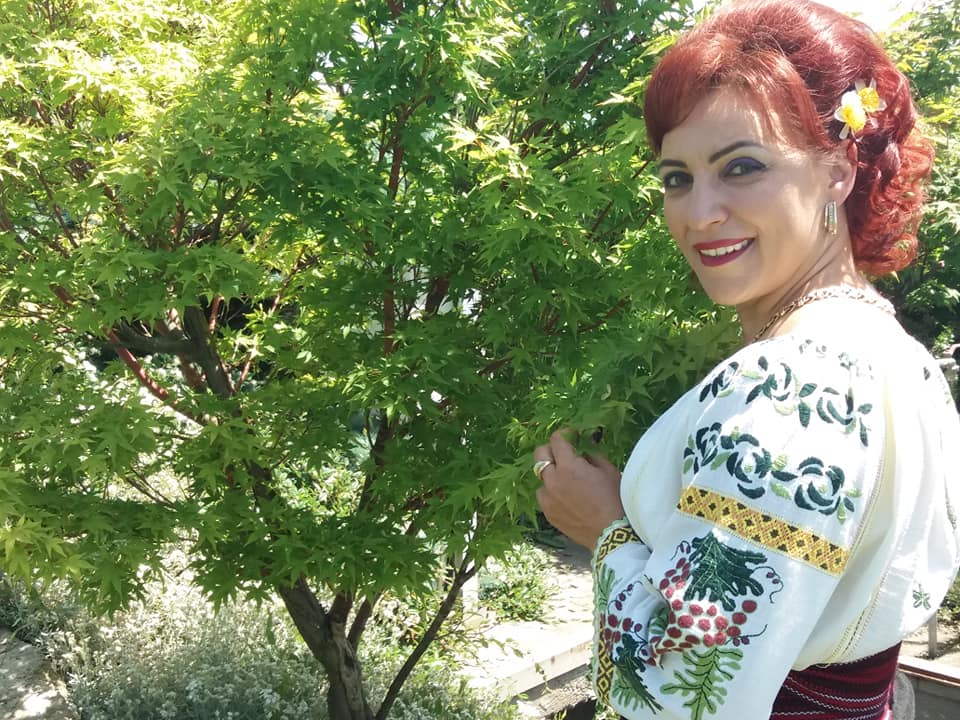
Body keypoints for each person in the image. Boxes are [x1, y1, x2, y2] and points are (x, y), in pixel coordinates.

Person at [532, 1, 960, 718]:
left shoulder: (791, 388)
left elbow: (685, 691)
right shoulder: (899, 358)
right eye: (677, 177)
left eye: (741, 167)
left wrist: (603, 530)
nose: (698, 212)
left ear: (838, 172)